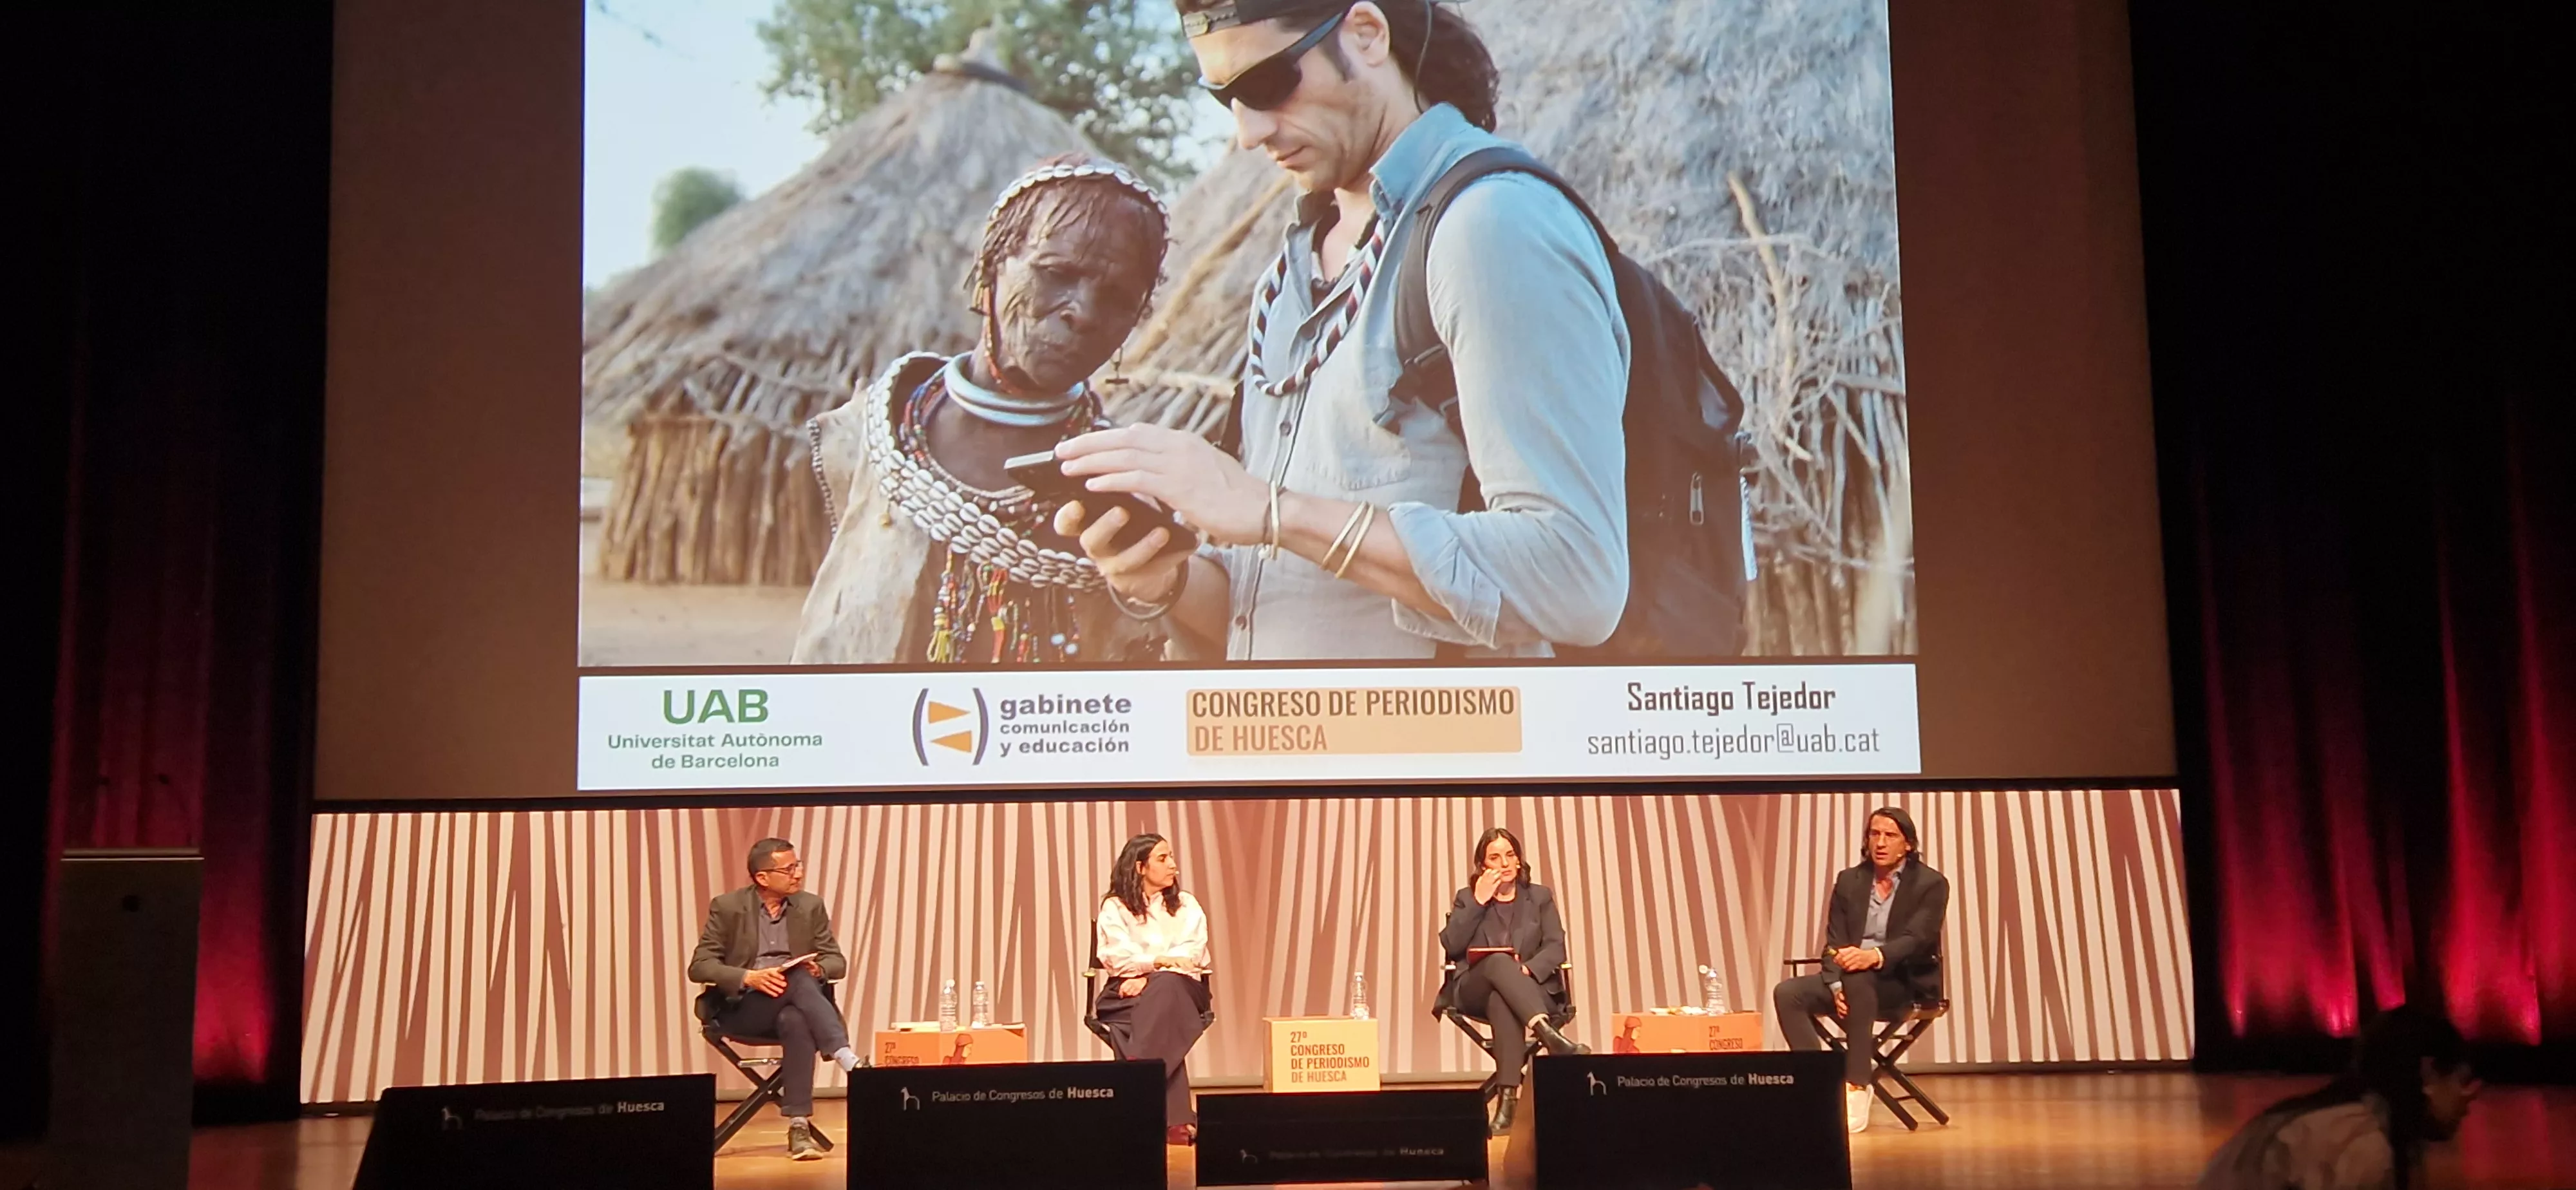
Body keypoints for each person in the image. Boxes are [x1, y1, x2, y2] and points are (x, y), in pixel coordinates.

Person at [1050, 0, 1630, 661]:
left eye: (1266, 85)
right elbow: (1282, 615)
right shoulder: (1295, 266)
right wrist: (1167, 581)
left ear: (1366, 34)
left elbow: (1577, 579)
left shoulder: (1489, 226)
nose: (1247, 131)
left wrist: (1274, 512)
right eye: (1224, 99)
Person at [792, 154, 1173, 665]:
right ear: (992, 265)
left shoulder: (1125, 488)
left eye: (1119, 298)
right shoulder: (865, 438)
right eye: (1056, 273)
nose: (1082, 313)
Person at [1770, 806, 1950, 1135]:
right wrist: (1835, 986)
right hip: (1852, 982)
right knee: (1789, 993)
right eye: (1874, 834)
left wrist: (1876, 956)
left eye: (1890, 835)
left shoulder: (1931, 883)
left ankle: (1856, 1084)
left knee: (1860, 974)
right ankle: (1816, 1085)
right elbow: (1835, 941)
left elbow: (1918, 938)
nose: (1880, 843)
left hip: (1902, 984)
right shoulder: (1849, 880)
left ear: (1908, 844)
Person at [688, 838, 858, 1161]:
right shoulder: (727, 907)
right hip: (744, 1007)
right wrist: (748, 977)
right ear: (762, 877)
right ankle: (843, 1054)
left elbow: (837, 962)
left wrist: (818, 968)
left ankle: (798, 1126)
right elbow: (700, 966)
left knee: (796, 1008)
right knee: (797, 981)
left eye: (799, 866)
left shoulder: (810, 906)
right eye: (789, 869)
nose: (798, 875)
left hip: (793, 1004)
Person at [2196, 1005, 2481, 1190]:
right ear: (2428, 1074)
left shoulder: (2361, 1123)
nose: (2470, 1096)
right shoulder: (2362, 1148)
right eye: (2462, 1080)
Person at [1435, 826, 1585, 1135]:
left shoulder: (1539, 897)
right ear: (1483, 866)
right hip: (1472, 987)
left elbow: (1556, 945)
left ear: (1519, 861)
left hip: (1529, 987)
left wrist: (1528, 971)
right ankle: (1546, 1033)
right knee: (1499, 963)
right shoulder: (1468, 898)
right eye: (1495, 857)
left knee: (1501, 998)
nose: (1504, 863)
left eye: (1510, 855)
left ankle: (1507, 1101)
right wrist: (1479, 901)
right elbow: (1452, 945)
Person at [1093, 833, 1213, 1146]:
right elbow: (1117, 957)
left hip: (1183, 989)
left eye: (1171, 857)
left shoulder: (1186, 905)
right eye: (1163, 858)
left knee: (1167, 988)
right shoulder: (1115, 907)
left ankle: (1134, 1091)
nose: (1173, 865)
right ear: (1140, 867)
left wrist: (1149, 974)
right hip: (1125, 993)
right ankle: (1175, 1123)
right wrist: (1158, 962)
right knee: (1158, 1020)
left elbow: (1192, 956)